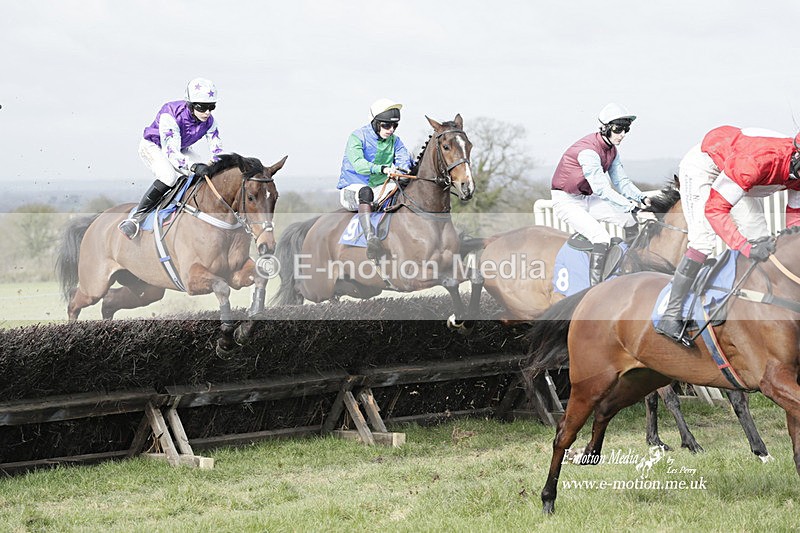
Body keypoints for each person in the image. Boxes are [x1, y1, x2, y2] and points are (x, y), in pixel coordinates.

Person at [655, 125, 800, 345]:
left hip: (738, 171)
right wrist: (745, 248)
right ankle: (671, 313)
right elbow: (715, 209)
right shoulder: (756, 162)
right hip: (705, 166)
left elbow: (795, 220)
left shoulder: (793, 168)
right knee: (703, 240)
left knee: (761, 236)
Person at [550, 103, 650, 285]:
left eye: (626, 129)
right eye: (618, 129)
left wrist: (642, 198)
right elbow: (602, 189)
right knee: (601, 237)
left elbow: (622, 182)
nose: (623, 135)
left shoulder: (612, 150)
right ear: (604, 128)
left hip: (587, 197)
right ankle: (595, 289)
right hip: (566, 201)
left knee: (629, 220)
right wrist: (631, 207)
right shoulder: (588, 152)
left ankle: (633, 268)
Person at [118, 77, 224, 239]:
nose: (207, 112)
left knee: (205, 174)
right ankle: (135, 219)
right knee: (169, 177)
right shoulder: (171, 114)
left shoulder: (209, 121)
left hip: (181, 149)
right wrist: (194, 167)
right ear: (190, 104)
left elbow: (217, 149)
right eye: (203, 107)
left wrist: (217, 163)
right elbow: (172, 154)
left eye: (211, 107)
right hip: (154, 147)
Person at [336, 98, 414, 260]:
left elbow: (403, 158)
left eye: (395, 126)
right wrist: (383, 168)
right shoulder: (357, 137)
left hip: (380, 187)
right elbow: (358, 164)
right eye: (386, 125)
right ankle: (370, 238)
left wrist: (404, 169)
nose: (391, 130)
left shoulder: (395, 141)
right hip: (354, 188)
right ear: (376, 123)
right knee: (366, 192)